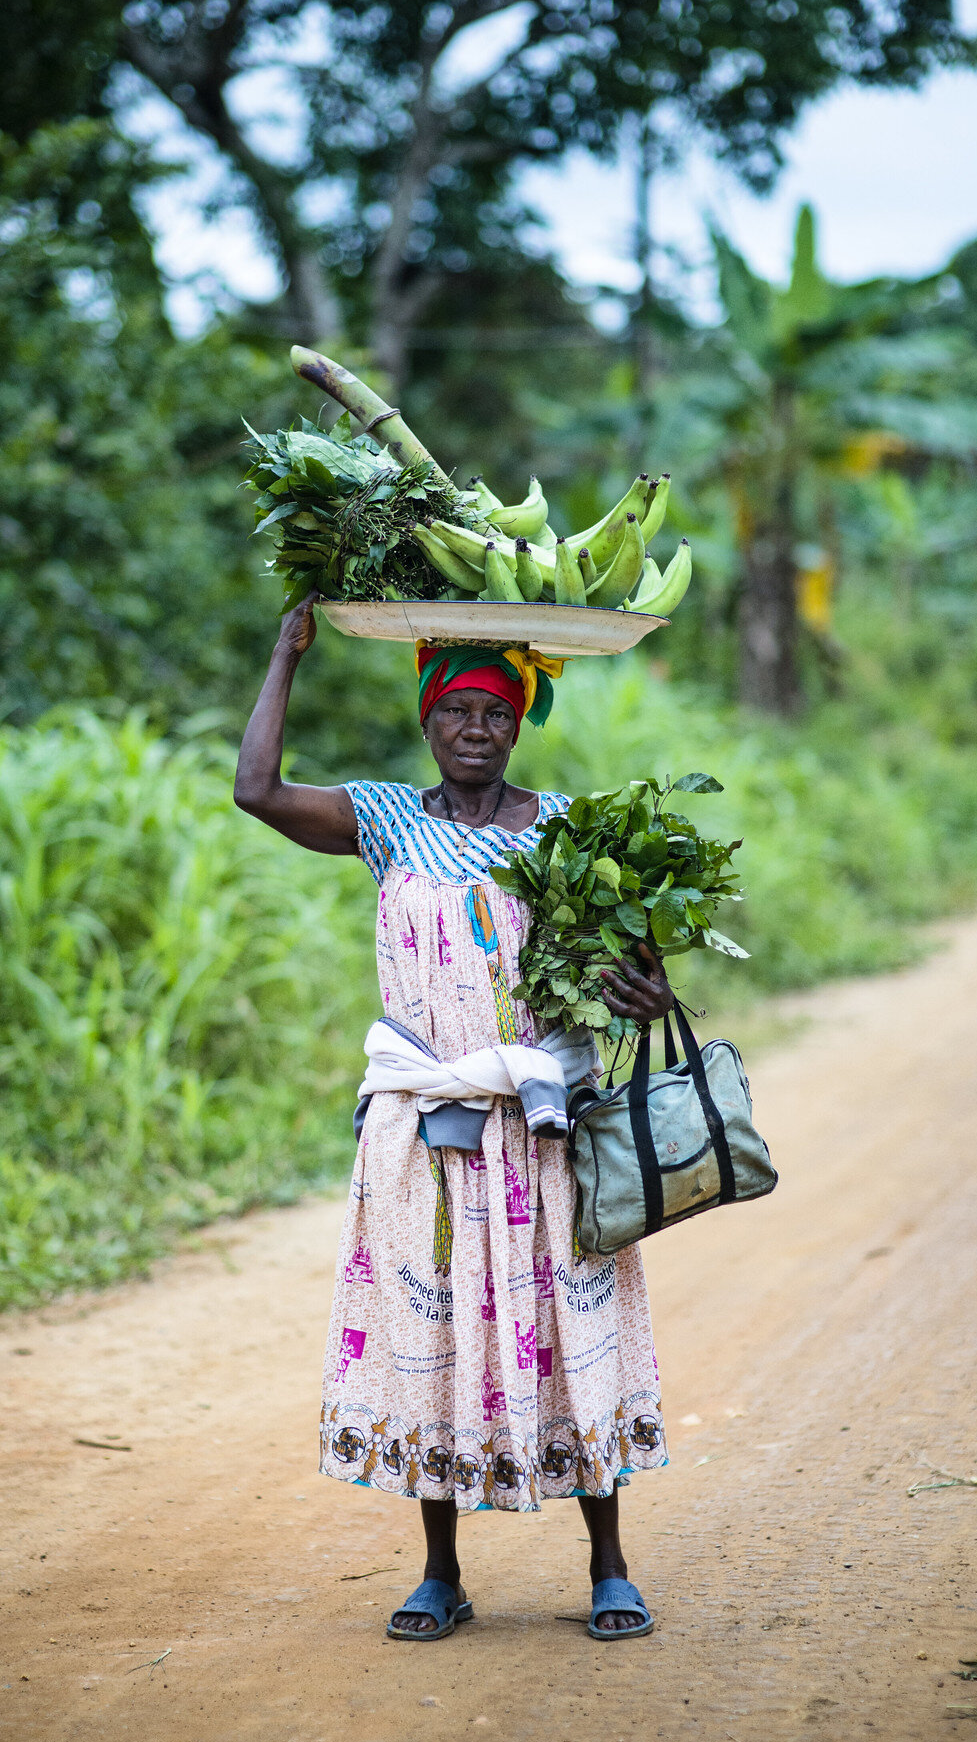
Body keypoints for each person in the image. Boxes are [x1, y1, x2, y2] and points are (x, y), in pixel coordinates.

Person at [234, 597, 675, 1640]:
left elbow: (631, 958)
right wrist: (283, 653)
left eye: (493, 710)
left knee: (570, 1327)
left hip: (541, 1129)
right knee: (428, 1332)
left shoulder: (568, 831)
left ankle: (608, 1563)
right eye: (455, 709)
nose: (474, 726)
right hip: (425, 1131)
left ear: (518, 722)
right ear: (427, 720)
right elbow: (255, 787)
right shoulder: (386, 819)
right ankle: (440, 1572)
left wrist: (644, 987)